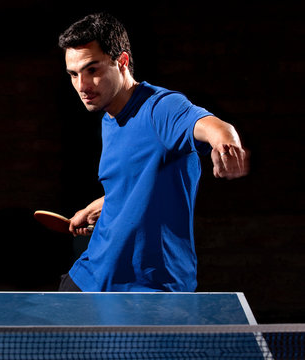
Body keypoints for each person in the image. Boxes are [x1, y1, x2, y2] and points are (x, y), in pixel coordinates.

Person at [57, 13, 249, 292]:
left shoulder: (160, 108)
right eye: (74, 74)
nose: (82, 87)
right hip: (91, 274)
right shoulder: (110, 115)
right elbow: (137, 178)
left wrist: (226, 142)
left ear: (122, 61)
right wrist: (98, 206)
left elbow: (211, 125)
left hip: (147, 289)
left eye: (92, 70)